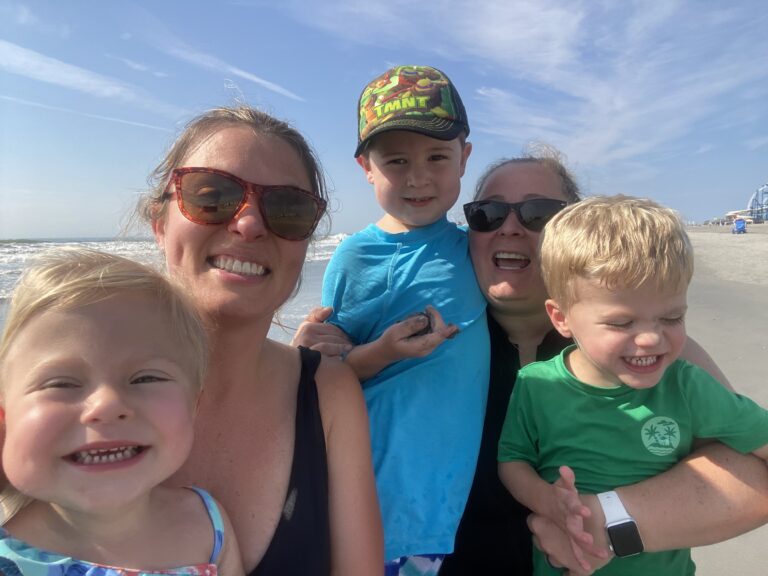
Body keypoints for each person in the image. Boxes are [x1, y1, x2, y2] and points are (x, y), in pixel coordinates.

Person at [440, 150, 768, 575]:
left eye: (538, 212)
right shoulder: (429, 346)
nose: (509, 227)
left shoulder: (653, 357)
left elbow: (751, 480)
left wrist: (606, 524)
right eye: (487, 212)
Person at [135, 106, 383, 575]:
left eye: (288, 208)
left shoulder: (326, 394)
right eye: (211, 195)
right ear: (160, 223)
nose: (249, 224)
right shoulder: (62, 383)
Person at [318, 64, 489, 574]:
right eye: (396, 161)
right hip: (376, 491)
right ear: (365, 168)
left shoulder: (476, 249)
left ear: (465, 156)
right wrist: (383, 352)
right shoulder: (355, 258)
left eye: (437, 156)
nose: (418, 177)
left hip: (445, 497)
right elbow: (328, 370)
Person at [0, 247, 243, 575]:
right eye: (61, 383)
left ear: (193, 405)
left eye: (146, 378)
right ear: (5, 417)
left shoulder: (207, 524)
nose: (107, 404)